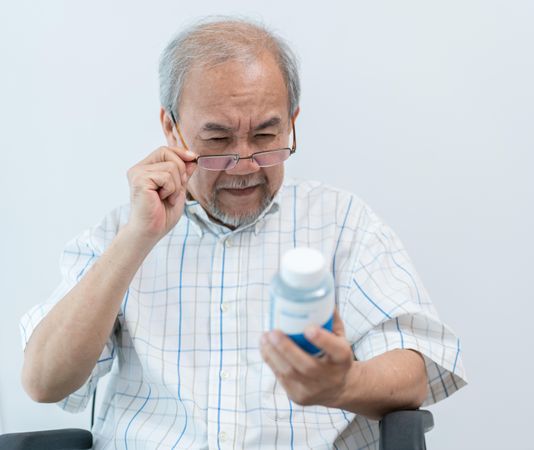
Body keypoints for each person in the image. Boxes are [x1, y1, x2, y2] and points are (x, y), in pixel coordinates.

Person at [19, 17, 466, 449]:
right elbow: (44, 382)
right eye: (217, 140)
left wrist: (344, 383)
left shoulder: (343, 222)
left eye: (266, 135)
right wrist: (138, 238)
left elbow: (418, 367)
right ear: (171, 129)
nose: (246, 162)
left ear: (292, 121)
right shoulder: (120, 232)